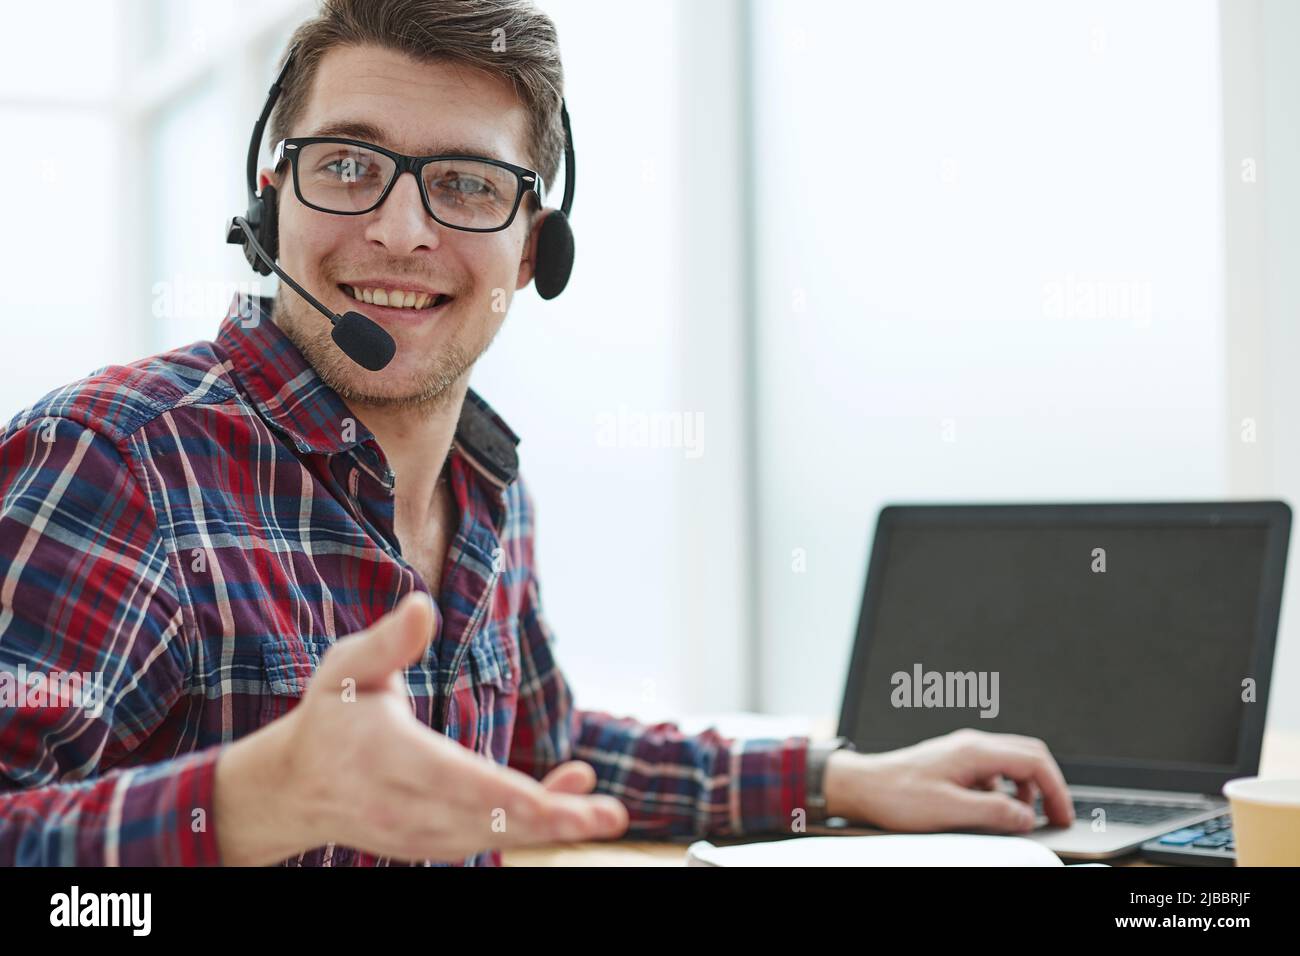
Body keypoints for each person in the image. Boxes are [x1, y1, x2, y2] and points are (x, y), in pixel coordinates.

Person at [0, 0, 1073, 866]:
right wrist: (238, 806)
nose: (401, 228)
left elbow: (541, 742)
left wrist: (834, 777)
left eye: (466, 184)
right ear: (270, 203)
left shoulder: (482, 483)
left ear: (532, 251)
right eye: (347, 165)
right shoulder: (117, 460)